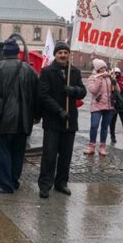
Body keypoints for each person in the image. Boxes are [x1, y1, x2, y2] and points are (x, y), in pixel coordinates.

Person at [0, 39, 38, 194]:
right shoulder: (29, 70)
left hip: (3, 118)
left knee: (2, 151)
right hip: (24, 119)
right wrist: (36, 115)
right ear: (16, 53)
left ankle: (6, 185)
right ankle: (13, 180)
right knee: (18, 152)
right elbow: (37, 95)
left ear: (4, 52)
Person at [36, 41, 86, 198]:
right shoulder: (47, 71)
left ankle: (61, 183)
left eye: (65, 52)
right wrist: (59, 111)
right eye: (60, 53)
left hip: (70, 120)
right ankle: (45, 185)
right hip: (53, 120)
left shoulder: (75, 72)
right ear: (55, 55)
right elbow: (43, 95)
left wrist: (75, 90)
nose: (63, 55)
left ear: (69, 54)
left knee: (66, 155)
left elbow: (83, 92)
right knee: (49, 155)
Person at [86, 59, 115, 156]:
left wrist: (115, 81)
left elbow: (117, 90)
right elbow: (93, 90)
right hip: (97, 106)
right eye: (101, 68)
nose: (103, 69)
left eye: (104, 67)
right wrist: (100, 79)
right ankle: (91, 146)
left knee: (104, 127)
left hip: (109, 106)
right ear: (97, 69)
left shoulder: (109, 77)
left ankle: (102, 147)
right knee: (94, 126)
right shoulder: (92, 78)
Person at [109, 68, 123, 145]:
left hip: (122, 105)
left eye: (118, 73)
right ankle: (112, 137)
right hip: (113, 105)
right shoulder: (109, 81)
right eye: (114, 73)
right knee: (112, 123)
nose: (116, 74)